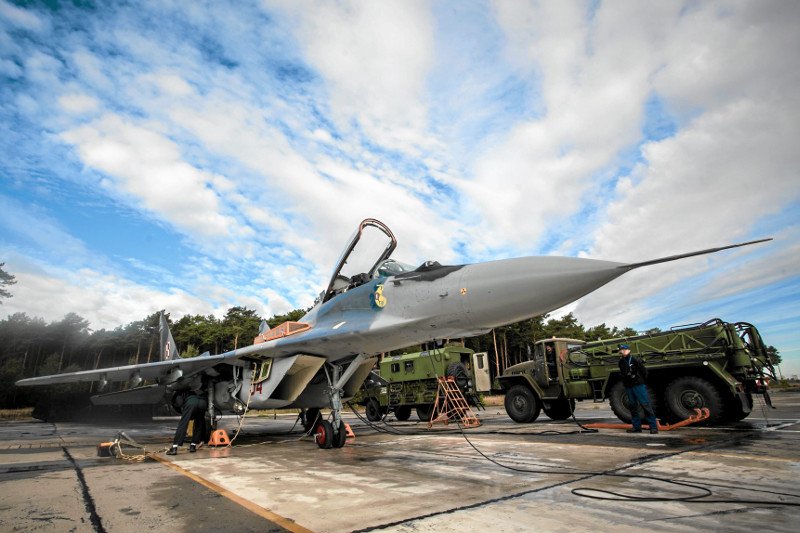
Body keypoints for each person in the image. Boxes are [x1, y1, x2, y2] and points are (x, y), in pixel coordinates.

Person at [617, 344, 658, 434]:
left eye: (624, 349)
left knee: (645, 405)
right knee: (632, 406)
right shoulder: (621, 362)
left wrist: (640, 381)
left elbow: (644, 371)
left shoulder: (635, 359)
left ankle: (653, 427)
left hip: (638, 385)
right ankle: (636, 427)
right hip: (628, 386)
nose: (623, 351)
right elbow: (623, 373)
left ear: (629, 350)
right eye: (621, 350)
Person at [166, 374, 208, 455]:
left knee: (184, 423)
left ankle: (174, 447)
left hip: (192, 402)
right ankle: (193, 446)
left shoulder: (178, 393)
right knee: (199, 423)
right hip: (203, 402)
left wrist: (184, 410)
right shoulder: (195, 389)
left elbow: (179, 403)